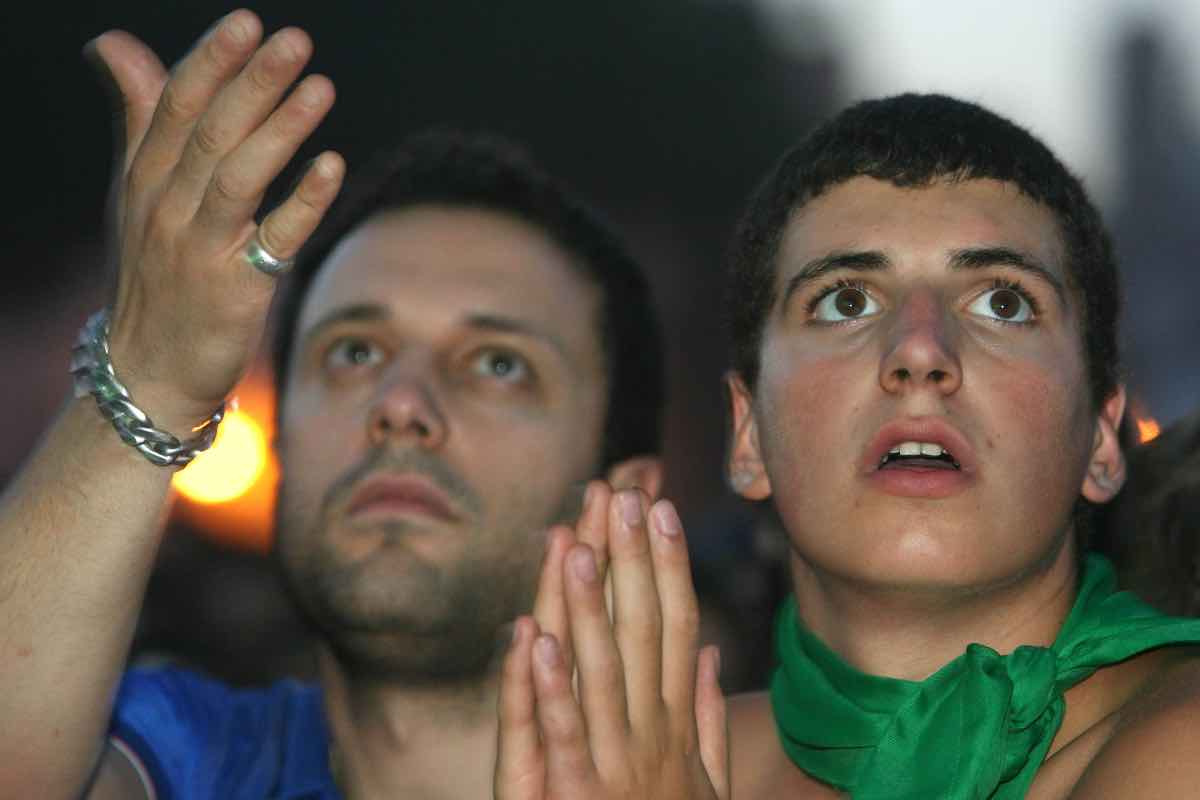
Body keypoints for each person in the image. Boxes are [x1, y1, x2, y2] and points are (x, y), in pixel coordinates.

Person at [0, 11, 666, 799]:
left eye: (497, 364)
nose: (402, 405)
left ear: (623, 501)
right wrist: (150, 377)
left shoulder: (755, 772)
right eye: (354, 352)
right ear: (281, 450)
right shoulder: (187, 757)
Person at [495, 94, 1200, 799]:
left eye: (1002, 303)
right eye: (846, 301)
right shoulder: (613, 766)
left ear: (1104, 438)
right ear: (748, 434)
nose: (920, 349)